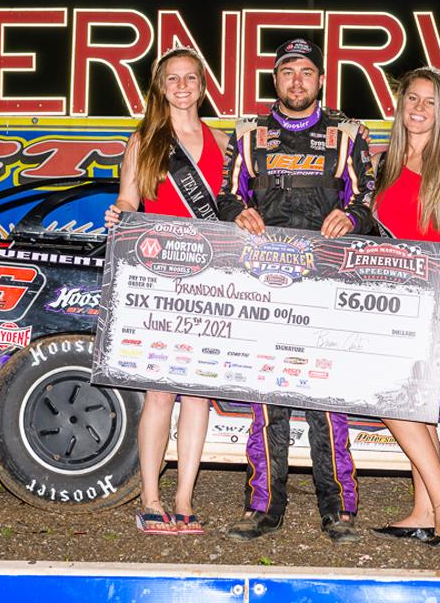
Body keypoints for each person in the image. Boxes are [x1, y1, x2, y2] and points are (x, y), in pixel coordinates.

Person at [217, 37, 377, 544]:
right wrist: (235, 212)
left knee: (326, 398)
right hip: (265, 286)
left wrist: (351, 216)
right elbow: (226, 195)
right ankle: (263, 507)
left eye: (306, 72)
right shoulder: (248, 133)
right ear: (276, 79)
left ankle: (339, 510)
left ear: (321, 79)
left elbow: (368, 200)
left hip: (326, 284)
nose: (297, 81)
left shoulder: (348, 134)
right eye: (288, 72)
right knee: (268, 397)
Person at [104, 46, 228, 535]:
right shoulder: (144, 141)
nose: (181, 86)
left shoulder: (225, 143)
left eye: (190, 77)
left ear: (203, 85)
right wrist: (118, 213)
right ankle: (151, 498)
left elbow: (235, 210)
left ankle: (184, 498)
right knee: (159, 393)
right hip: (159, 281)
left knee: (197, 395)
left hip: (211, 283)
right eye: (172, 78)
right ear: (160, 87)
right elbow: (128, 200)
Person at [371, 67, 440, 547]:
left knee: (389, 395)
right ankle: (424, 509)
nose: (418, 108)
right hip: (383, 292)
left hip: (426, 293)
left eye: (430, 102)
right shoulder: (385, 162)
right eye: (412, 98)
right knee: (413, 403)